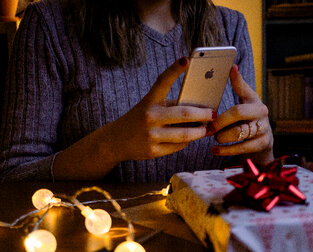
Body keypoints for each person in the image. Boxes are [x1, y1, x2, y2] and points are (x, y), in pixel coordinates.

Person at [0, 0, 273, 183]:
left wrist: (263, 151)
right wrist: (110, 146)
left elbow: (251, 175)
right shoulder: (49, 24)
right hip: (100, 251)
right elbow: (14, 178)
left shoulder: (230, 26)